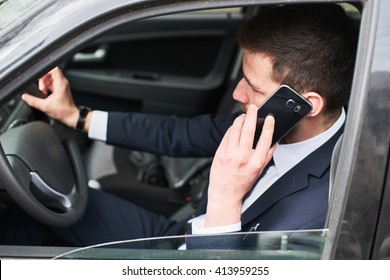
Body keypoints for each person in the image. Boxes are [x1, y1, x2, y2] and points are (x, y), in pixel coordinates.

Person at [3, 3, 358, 247]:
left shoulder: (321, 210)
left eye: (254, 86)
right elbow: (177, 133)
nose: (238, 92)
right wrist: (75, 116)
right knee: (31, 211)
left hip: (193, 261)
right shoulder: (267, 123)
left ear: (306, 105)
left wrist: (224, 197)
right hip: (180, 233)